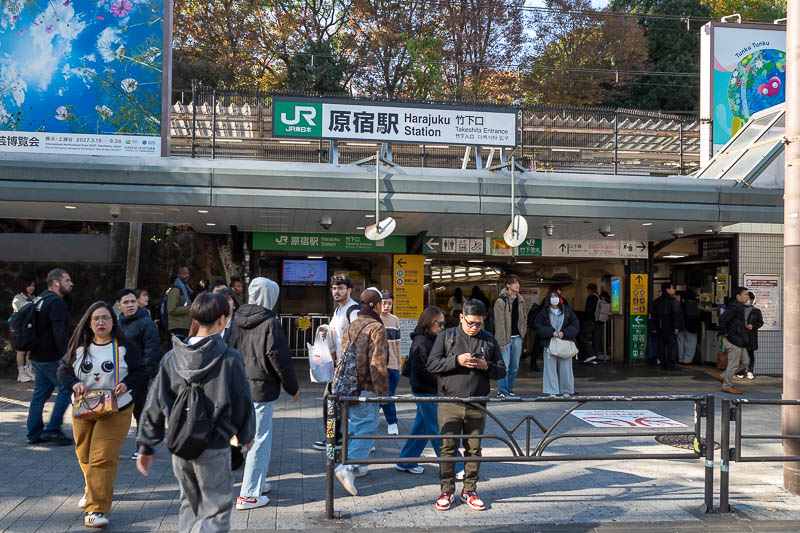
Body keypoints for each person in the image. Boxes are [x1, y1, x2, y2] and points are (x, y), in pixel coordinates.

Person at [136, 293, 256, 533]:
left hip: (180, 445)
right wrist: (246, 436)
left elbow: (155, 402)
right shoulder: (229, 358)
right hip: (215, 444)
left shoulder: (171, 358)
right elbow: (243, 401)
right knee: (215, 510)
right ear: (222, 319)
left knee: (189, 506)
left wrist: (146, 445)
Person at [57, 302, 146, 528]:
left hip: (116, 410)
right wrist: (74, 383)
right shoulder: (79, 347)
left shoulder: (124, 347)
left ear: (113, 321)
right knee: (84, 455)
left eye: (105, 318)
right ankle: (91, 489)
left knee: (102, 457)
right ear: (89, 323)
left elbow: (141, 371)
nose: (101, 322)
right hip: (84, 409)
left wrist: (127, 384)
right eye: (96, 318)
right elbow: (62, 370)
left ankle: (96, 510)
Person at [426, 299, 505, 512]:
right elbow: (432, 364)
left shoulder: (488, 340)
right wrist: (456, 360)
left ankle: (470, 490)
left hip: (477, 403)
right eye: (470, 322)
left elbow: (501, 371)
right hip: (449, 401)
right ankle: (447, 490)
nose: (474, 327)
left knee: (474, 448)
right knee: (447, 447)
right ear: (461, 317)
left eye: (479, 324)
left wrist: (485, 365)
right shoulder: (446, 336)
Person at [231, 277, 299, 510]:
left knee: (243, 437)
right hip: (260, 389)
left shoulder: (235, 320)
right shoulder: (270, 322)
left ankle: (256, 482)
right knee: (259, 440)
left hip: (237, 387)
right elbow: (279, 359)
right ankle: (249, 494)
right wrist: (293, 387)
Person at [396, 306, 464, 478]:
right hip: (427, 391)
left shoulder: (424, 339)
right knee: (438, 429)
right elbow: (422, 371)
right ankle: (455, 465)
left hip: (424, 390)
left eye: (443, 324)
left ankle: (406, 460)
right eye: (440, 324)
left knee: (423, 427)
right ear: (430, 322)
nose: (442, 327)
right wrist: (444, 382)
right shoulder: (421, 342)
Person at [333, 288, 389, 497]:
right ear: (375, 306)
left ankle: (355, 465)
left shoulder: (351, 326)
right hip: (367, 387)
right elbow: (378, 364)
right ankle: (348, 468)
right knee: (368, 427)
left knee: (355, 426)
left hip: (350, 386)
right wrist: (383, 394)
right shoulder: (377, 328)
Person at [312, 276, 361, 451]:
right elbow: (337, 335)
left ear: (349, 290)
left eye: (340, 288)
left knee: (337, 405)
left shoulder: (353, 310)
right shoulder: (338, 310)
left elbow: (359, 339)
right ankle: (333, 438)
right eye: (334, 288)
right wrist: (327, 332)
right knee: (330, 404)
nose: (336, 292)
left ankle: (339, 440)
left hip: (348, 369)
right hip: (338, 367)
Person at [27, 268, 74, 446]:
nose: (71, 284)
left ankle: (33, 433)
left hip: (37, 355)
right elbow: (59, 333)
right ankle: (53, 430)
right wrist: (67, 357)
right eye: (67, 280)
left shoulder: (40, 299)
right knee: (66, 389)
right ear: (56, 282)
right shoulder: (56, 302)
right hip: (51, 357)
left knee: (40, 394)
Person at [116, 289, 161, 440]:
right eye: (126, 302)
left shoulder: (146, 324)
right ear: (119, 305)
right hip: (118, 375)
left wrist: (144, 373)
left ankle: (142, 444)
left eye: (133, 301)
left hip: (138, 376)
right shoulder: (116, 324)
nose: (130, 305)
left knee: (139, 410)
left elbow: (152, 350)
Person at [535, 290, 581, 397]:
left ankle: (567, 390)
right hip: (549, 342)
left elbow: (575, 325)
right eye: (551, 296)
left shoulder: (568, 310)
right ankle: (552, 391)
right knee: (549, 368)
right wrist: (550, 332)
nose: (554, 298)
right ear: (548, 299)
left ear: (560, 298)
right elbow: (538, 326)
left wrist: (564, 332)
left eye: (555, 296)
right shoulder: (544, 312)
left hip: (565, 342)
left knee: (566, 367)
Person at [494, 274, 526, 398]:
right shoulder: (501, 301)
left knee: (514, 367)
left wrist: (522, 333)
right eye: (514, 283)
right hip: (505, 339)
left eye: (518, 283)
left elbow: (523, 318)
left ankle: (509, 389)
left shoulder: (521, 299)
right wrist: (501, 341)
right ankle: (502, 390)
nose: (517, 285)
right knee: (505, 367)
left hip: (517, 337)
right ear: (508, 285)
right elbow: (499, 323)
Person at [718, 287, 750, 394]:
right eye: (745, 294)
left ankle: (724, 376)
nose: (747, 297)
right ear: (738, 296)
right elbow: (722, 318)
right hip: (733, 339)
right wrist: (725, 333)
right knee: (733, 364)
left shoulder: (739, 306)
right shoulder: (735, 307)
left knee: (745, 361)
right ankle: (727, 385)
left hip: (739, 339)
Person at [379, 291, 401, 435]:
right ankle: (392, 422)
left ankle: (368, 418)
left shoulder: (395, 320)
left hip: (393, 364)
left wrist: (399, 363)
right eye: (384, 303)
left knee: (387, 395)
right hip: (379, 366)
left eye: (389, 303)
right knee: (387, 395)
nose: (386, 306)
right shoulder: (374, 319)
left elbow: (398, 344)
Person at [651, 282, 683, 371]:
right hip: (670, 327)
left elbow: (653, 316)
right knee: (671, 347)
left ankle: (663, 363)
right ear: (667, 289)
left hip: (659, 328)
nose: (674, 290)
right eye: (672, 288)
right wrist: (676, 327)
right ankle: (671, 364)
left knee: (660, 346)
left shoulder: (656, 301)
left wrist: (653, 327)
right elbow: (676, 314)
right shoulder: (673, 301)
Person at [12, 278, 36, 382]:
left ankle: (29, 371)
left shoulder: (35, 297)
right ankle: (21, 374)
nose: (31, 288)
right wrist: (34, 304)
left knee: (30, 349)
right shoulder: (18, 297)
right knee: (21, 350)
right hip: (20, 328)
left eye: (33, 286)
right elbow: (22, 308)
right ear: (24, 286)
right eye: (29, 285)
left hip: (31, 327)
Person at [737, 291, 763, 380]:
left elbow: (760, 323)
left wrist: (753, 326)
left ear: (752, 300)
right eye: (746, 299)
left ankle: (750, 371)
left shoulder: (756, 311)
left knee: (750, 354)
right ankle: (741, 371)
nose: (748, 301)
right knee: (740, 354)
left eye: (749, 299)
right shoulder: (739, 309)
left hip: (751, 335)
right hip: (740, 335)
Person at [576, 283, 601, 364]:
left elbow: (588, 310)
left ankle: (590, 355)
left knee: (583, 337)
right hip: (598, 321)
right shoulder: (598, 296)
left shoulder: (591, 297)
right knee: (595, 339)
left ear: (589, 289)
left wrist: (585, 319)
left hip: (590, 321)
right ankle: (594, 357)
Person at [166, 266, 193, 338]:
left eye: (188, 273)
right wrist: (190, 308)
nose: (187, 275)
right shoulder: (175, 290)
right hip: (178, 328)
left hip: (185, 327)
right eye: (184, 273)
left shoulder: (187, 290)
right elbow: (171, 310)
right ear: (178, 275)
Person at [678, 289, 701, 364]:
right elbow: (696, 314)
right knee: (690, 343)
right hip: (691, 327)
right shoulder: (693, 304)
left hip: (681, 326)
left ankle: (681, 358)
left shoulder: (681, 303)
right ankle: (687, 360)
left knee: (681, 342)